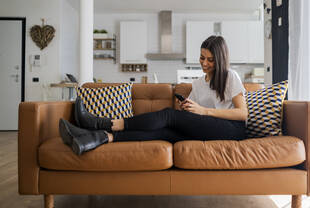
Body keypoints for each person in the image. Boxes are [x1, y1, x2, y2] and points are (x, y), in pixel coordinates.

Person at [59, 36, 248, 155]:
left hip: (232, 130)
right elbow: (195, 116)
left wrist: (203, 111)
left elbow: (242, 114)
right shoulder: (198, 84)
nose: (204, 63)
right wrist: (189, 109)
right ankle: (100, 136)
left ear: (220, 59)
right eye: (201, 57)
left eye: (210, 60)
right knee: (164, 133)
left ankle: (103, 122)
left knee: (168, 115)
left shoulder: (230, 76)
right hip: (208, 130)